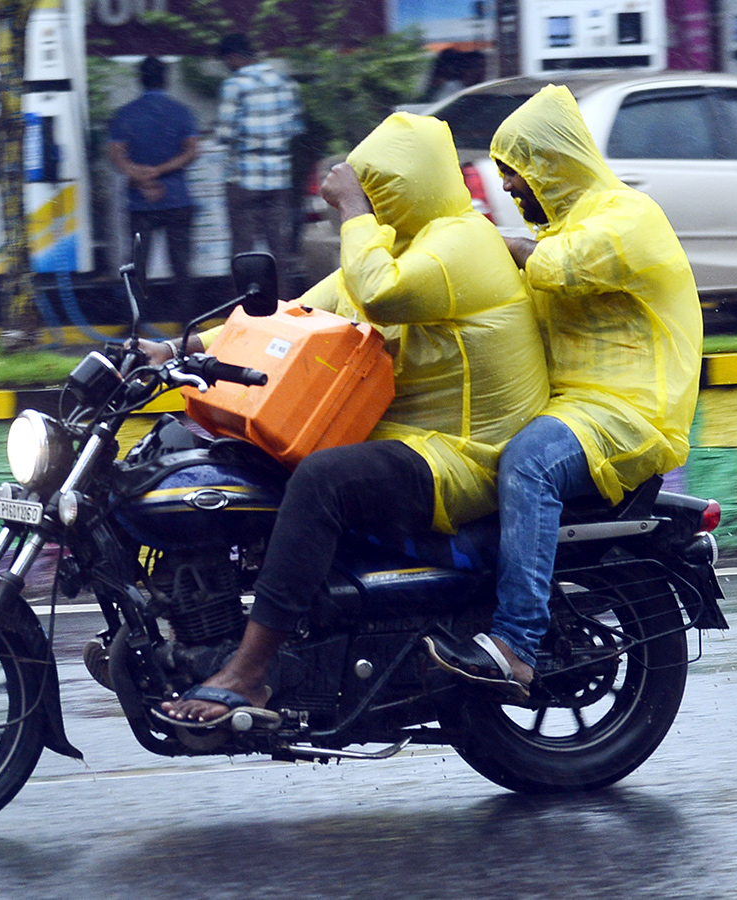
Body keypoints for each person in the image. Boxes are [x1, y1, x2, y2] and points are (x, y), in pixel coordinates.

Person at [156, 111, 549, 725]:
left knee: (322, 480)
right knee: (224, 454)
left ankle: (251, 672)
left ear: (403, 187)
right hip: (409, 441)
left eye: (377, 188)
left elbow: (381, 291)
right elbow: (297, 316)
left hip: (464, 455)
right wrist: (175, 350)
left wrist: (352, 208)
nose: (365, 200)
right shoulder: (397, 244)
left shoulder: (462, 242)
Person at [423, 84, 704, 700]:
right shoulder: (565, 226)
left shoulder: (625, 218)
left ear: (553, 162)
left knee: (529, 463)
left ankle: (517, 644)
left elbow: (552, 265)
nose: (512, 188)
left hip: (629, 414)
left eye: (516, 173)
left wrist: (474, 240)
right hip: (569, 407)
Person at [107, 56, 200, 322]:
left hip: (140, 202)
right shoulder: (181, 112)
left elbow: (116, 155)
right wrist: (160, 172)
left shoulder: (125, 114)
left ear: (141, 79)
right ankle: (187, 322)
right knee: (181, 265)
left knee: (137, 266)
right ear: (166, 79)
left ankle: (134, 322)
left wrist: (141, 177)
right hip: (177, 199)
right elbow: (192, 151)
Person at [215, 32, 303, 299]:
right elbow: (294, 128)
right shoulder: (283, 82)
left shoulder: (235, 84)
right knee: (280, 250)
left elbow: (225, 133)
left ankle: (245, 310)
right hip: (278, 177)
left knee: (243, 251)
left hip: (244, 177)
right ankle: (284, 306)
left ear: (233, 58)